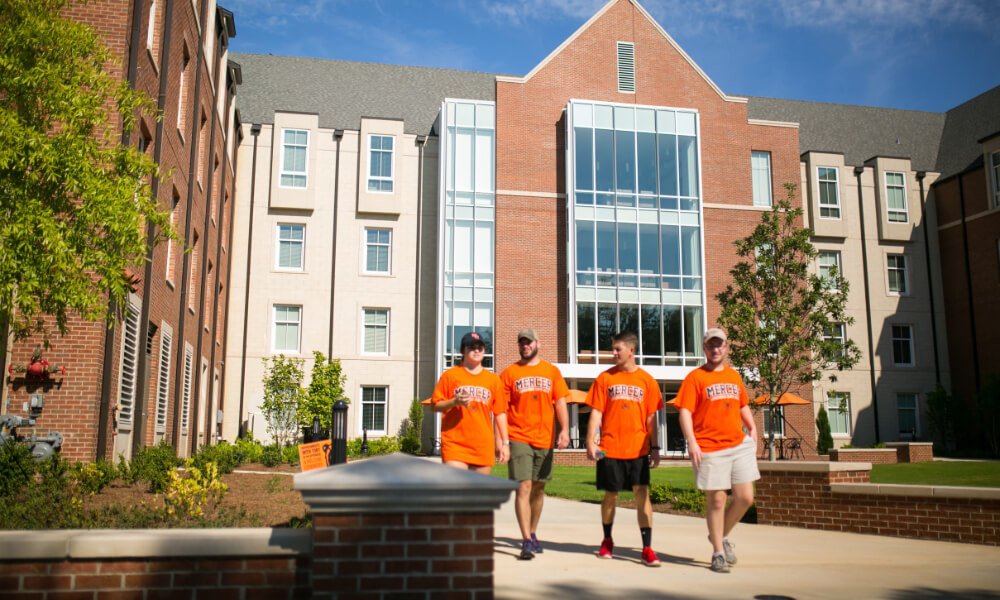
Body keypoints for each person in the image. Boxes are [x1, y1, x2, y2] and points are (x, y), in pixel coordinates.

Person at [674, 327, 759, 574]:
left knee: (745, 498)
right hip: (709, 446)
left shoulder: (734, 376)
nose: (715, 349)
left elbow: (741, 404)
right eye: (711, 345)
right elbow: (685, 412)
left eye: (719, 344)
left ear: (726, 347)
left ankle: (718, 536)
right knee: (718, 498)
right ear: (704, 348)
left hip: (738, 443)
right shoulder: (695, 378)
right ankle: (718, 553)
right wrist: (691, 441)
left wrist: (752, 426)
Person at [584, 331, 663, 567]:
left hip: (637, 450)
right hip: (609, 448)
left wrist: (655, 447)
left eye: (618, 349)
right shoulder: (604, 379)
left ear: (631, 350)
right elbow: (596, 412)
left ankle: (647, 548)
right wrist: (590, 441)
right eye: (613, 348)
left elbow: (651, 418)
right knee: (611, 495)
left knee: (642, 496)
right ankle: (607, 540)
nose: (613, 353)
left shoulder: (647, 381)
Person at [500, 328, 571, 560]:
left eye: (529, 342)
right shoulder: (509, 373)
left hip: (545, 438)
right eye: (521, 343)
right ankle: (526, 540)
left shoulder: (551, 371)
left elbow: (560, 402)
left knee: (539, 489)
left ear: (537, 344)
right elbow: (500, 409)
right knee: (524, 487)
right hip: (519, 436)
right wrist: (502, 441)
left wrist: (565, 430)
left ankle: (532, 532)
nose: (525, 346)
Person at [429, 331, 510, 474]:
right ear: (462, 351)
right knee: (458, 488)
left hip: (482, 445)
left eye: (480, 347)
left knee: (479, 494)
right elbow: (434, 405)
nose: (476, 350)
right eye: (471, 347)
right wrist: (454, 402)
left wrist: (505, 443)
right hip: (455, 444)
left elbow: (500, 413)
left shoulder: (493, 380)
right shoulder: (450, 376)